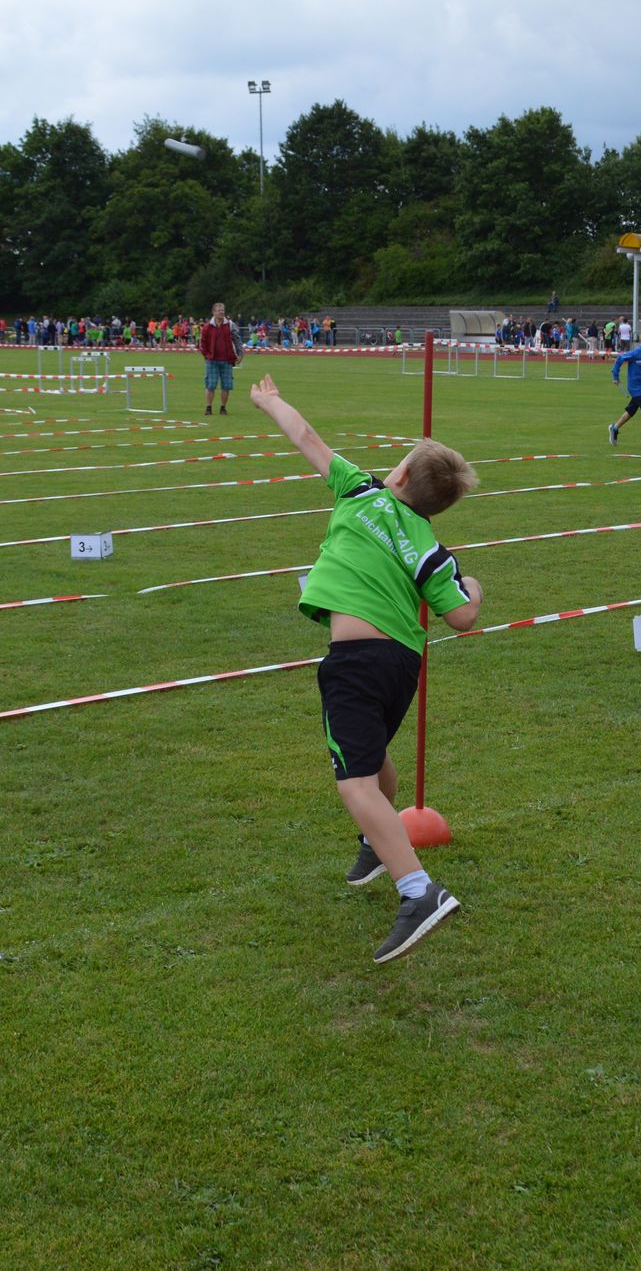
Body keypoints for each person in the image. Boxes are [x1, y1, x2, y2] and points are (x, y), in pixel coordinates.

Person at [247, 375, 483, 963]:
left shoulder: (359, 490)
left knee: (354, 782)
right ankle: (378, 845)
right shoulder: (430, 547)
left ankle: (420, 892)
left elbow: (306, 437)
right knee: (372, 761)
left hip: (354, 663)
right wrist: (474, 586)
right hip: (401, 664)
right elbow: (462, 617)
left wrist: (271, 401)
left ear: (398, 477)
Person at [199, 302, 239, 416]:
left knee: (226, 386)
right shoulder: (207, 327)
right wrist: (207, 355)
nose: (221, 312)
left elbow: (237, 339)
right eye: (219, 310)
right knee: (210, 385)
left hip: (227, 360)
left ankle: (223, 408)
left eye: (223, 310)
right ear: (213, 312)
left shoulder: (230, 325)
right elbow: (202, 343)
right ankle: (208, 408)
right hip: (212, 360)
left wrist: (240, 353)